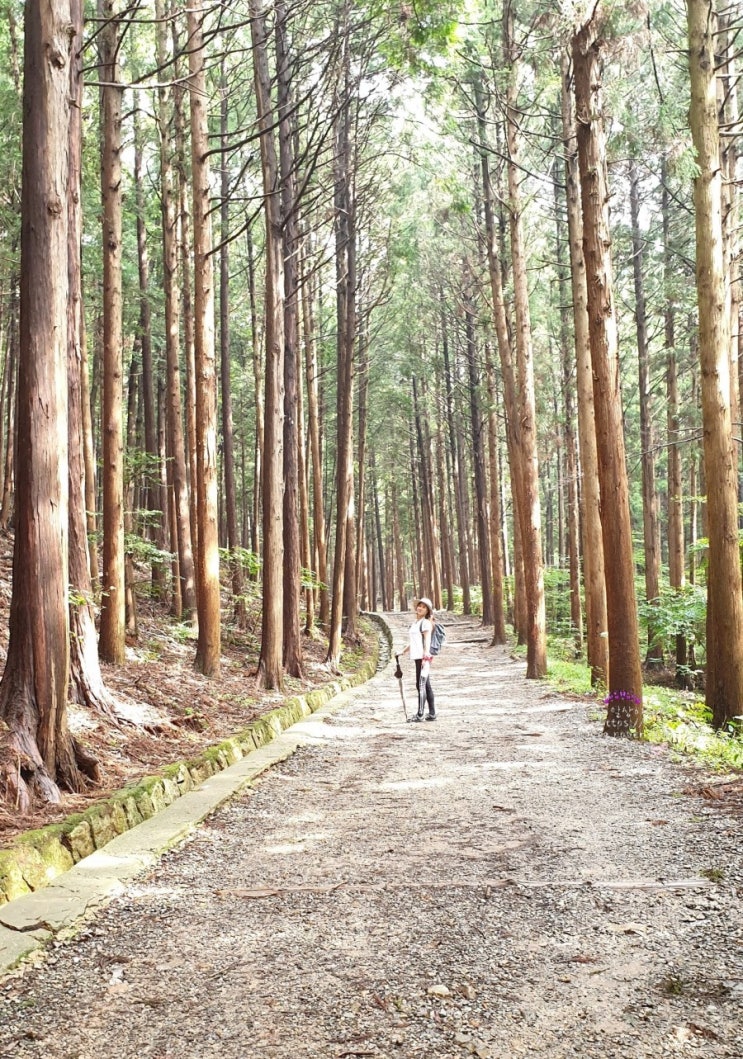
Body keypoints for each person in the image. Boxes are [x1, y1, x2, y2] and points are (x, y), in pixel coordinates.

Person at [401, 596, 436, 722]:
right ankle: (432, 713)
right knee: (426, 685)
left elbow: (427, 640)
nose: (420, 608)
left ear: (427, 611)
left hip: (423, 657)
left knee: (420, 685)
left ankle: (420, 714)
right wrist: (403, 652)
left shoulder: (426, 623)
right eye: (419, 606)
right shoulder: (416, 623)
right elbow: (414, 641)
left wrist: (426, 656)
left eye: (424, 607)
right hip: (417, 657)